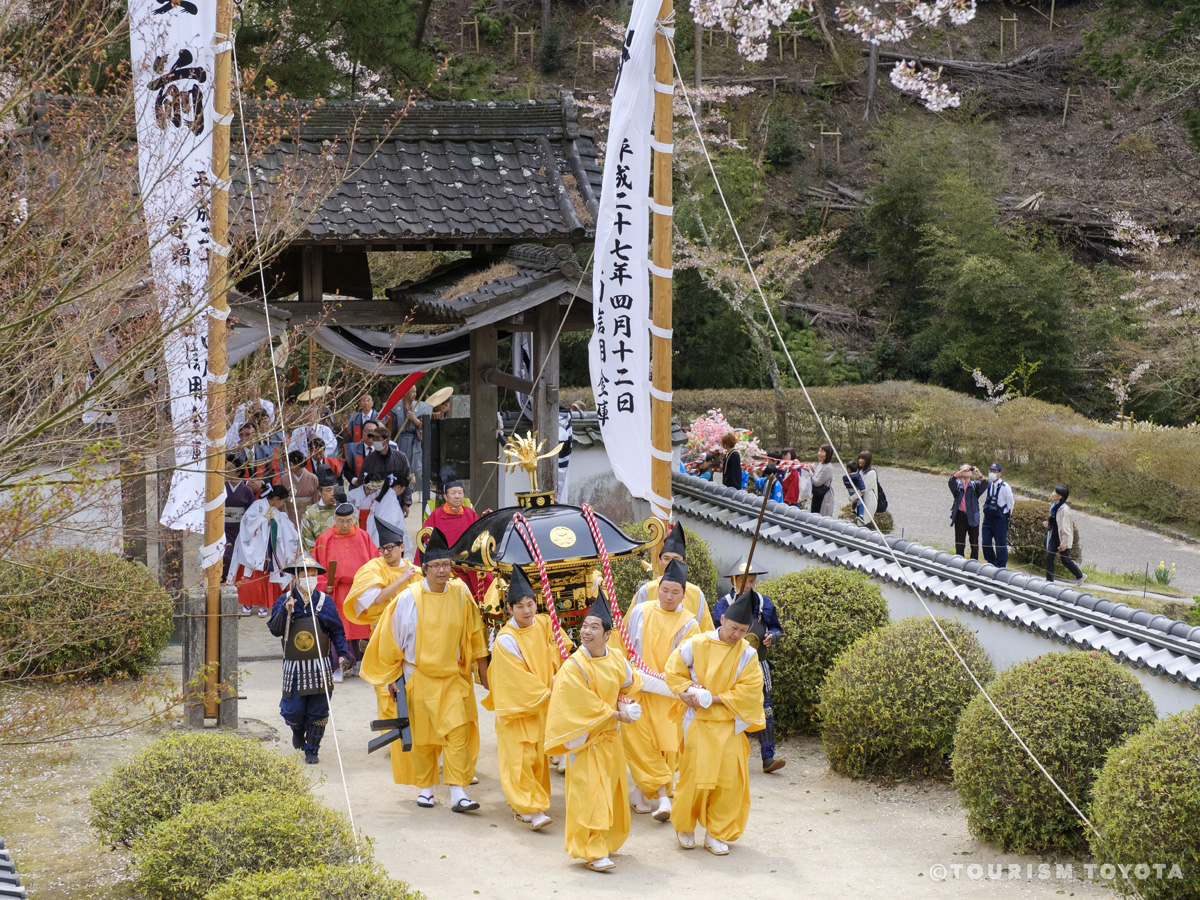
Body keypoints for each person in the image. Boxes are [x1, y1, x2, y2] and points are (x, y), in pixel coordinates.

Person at [358, 526, 490, 811]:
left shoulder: (460, 592)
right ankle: (426, 788)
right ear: (424, 568)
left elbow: (475, 631)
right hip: (417, 674)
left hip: (453, 676)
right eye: (435, 566)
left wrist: (483, 669)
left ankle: (458, 791)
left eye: (446, 565)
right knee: (422, 736)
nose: (442, 571)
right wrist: (393, 677)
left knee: (458, 734)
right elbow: (391, 639)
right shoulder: (409, 597)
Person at [544, 590, 642, 872]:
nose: (586, 632)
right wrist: (618, 713)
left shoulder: (616, 659)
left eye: (593, 627)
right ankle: (593, 849)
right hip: (587, 741)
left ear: (608, 634)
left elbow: (628, 684)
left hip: (611, 740)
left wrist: (626, 702)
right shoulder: (574, 666)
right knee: (591, 795)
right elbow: (580, 704)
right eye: (585, 626)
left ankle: (605, 842)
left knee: (610, 792)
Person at [666, 589, 766, 856]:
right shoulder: (697, 643)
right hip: (697, 719)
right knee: (695, 776)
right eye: (733, 628)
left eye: (743, 630)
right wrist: (686, 692)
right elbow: (673, 669)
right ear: (722, 619)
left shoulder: (748, 653)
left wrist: (714, 699)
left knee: (728, 780)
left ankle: (716, 832)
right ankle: (685, 826)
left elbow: (750, 691)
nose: (737, 635)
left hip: (729, 723)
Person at [485, 565, 569, 831]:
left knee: (537, 760)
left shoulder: (546, 622)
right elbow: (517, 680)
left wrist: (564, 674)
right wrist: (552, 692)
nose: (527, 610)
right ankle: (530, 810)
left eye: (530, 604)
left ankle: (532, 805)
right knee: (519, 760)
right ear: (509, 609)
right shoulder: (506, 640)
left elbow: (563, 649)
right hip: (518, 709)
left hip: (542, 707)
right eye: (519, 606)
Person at [620, 558, 699, 821]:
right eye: (665, 590)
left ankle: (642, 793)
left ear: (684, 594)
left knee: (666, 747)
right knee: (640, 742)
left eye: (675, 592)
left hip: (667, 694)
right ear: (659, 587)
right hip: (637, 690)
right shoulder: (641, 611)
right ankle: (664, 798)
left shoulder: (690, 624)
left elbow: (686, 662)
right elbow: (622, 645)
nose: (668, 596)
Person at [267, 555, 349, 765]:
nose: (310, 578)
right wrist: (286, 611)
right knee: (292, 710)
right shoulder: (284, 600)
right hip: (293, 666)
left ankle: (312, 749)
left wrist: (342, 653)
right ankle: (297, 729)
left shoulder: (325, 601)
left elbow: (337, 630)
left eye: (313, 574)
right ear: (296, 578)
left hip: (319, 664)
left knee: (318, 709)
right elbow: (275, 630)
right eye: (306, 574)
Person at [713, 557, 785, 773]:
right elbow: (715, 631)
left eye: (752, 581)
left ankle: (768, 757)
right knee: (730, 707)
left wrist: (772, 636)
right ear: (734, 581)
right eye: (743, 581)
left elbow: (777, 628)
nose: (748, 586)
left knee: (766, 707)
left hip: (758, 661)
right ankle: (730, 757)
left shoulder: (765, 603)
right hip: (730, 663)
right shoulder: (723, 604)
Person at [311, 499, 380, 680]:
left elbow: (375, 562)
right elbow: (314, 567)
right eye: (341, 521)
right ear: (334, 519)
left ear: (354, 519)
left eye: (349, 520)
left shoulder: (363, 537)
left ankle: (357, 662)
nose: (345, 524)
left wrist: (370, 584)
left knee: (360, 627)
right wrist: (324, 583)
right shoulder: (324, 539)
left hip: (359, 590)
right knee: (339, 627)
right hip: (336, 590)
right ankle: (338, 667)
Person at [227, 484, 299, 617]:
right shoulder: (257, 505)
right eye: (282, 501)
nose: (281, 504)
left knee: (266, 578)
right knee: (249, 576)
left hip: (269, 549)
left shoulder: (277, 512)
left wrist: (274, 524)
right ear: (276, 498)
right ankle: (246, 604)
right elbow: (246, 521)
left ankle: (262, 605)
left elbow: (284, 526)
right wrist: (264, 521)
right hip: (253, 547)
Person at [629, 524, 713, 633]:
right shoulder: (647, 590)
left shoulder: (696, 594)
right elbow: (630, 625)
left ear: (684, 562)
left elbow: (705, 632)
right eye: (666, 558)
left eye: (676, 559)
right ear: (660, 561)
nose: (671, 563)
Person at [419, 477, 489, 600]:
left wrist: (469, 562)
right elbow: (425, 538)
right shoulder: (436, 514)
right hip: (443, 565)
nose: (457, 496)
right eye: (453, 493)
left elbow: (479, 538)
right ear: (445, 497)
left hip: (467, 566)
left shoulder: (470, 513)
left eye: (460, 493)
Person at [223, 453, 261, 582]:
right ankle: (223, 579)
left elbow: (251, 512)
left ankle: (236, 580)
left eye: (230, 469)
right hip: (224, 528)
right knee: (226, 554)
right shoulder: (222, 488)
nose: (227, 472)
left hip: (240, 529)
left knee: (238, 555)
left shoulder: (247, 491)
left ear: (238, 472)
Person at [1043, 484, 1086, 583]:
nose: (1052, 493)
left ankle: (1080, 576)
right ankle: (1049, 581)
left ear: (1060, 496)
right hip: (1054, 536)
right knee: (1049, 556)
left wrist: (1063, 544)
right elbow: (1053, 522)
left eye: (1054, 492)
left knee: (1065, 560)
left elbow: (1066, 529)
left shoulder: (1065, 510)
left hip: (1062, 538)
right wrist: (1048, 524)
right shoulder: (1054, 506)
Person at [366, 475, 414, 559]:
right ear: (399, 487)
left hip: (376, 538)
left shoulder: (382, 497)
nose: (402, 492)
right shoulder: (391, 502)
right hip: (388, 540)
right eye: (403, 489)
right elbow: (396, 523)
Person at [395, 385, 432, 487]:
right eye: (412, 392)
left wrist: (413, 418)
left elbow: (423, 425)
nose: (415, 394)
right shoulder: (396, 406)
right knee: (401, 465)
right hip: (401, 438)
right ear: (406, 392)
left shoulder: (418, 407)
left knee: (417, 467)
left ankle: (420, 489)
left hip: (414, 439)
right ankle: (402, 487)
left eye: (415, 392)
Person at [948, 464, 987, 560]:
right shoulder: (957, 485)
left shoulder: (975, 485)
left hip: (973, 516)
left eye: (969, 469)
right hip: (960, 516)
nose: (967, 471)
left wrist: (979, 474)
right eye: (964, 470)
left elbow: (985, 485)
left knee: (974, 544)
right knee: (960, 543)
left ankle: (973, 563)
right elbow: (951, 482)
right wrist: (960, 472)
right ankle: (959, 561)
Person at [981, 462, 1015, 568]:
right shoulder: (989, 485)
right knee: (986, 541)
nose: (992, 474)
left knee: (1000, 544)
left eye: (994, 472)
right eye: (991, 471)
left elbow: (1010, 503)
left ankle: (1001, 566)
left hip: (1000, 519)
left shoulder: (1005, 487)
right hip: (988, 518)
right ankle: (991, 562)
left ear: (999, 474)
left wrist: (1006, 516)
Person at [300, 471, 339, 554]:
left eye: (335, 489)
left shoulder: (346, 509)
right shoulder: (310, 513)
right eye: (328, 490)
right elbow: (308, 542)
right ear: (319, 492)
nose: (333, 493)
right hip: (321, 558)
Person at [279, 450, 320, 523]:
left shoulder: (313, 478)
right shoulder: (284, 479)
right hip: (289, 517)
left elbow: (316, 499)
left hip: (308, 516)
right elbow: (279, 499)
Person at [855, 450, 879, 524]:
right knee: (859, 523)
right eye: (860, 458)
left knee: (863, 523)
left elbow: (864, 489)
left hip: (869, 501)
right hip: (860, 501)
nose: (860, 460)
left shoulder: (871, 472)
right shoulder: (860, 471)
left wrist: (852, 498)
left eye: (863, 459)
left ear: (868, 461)